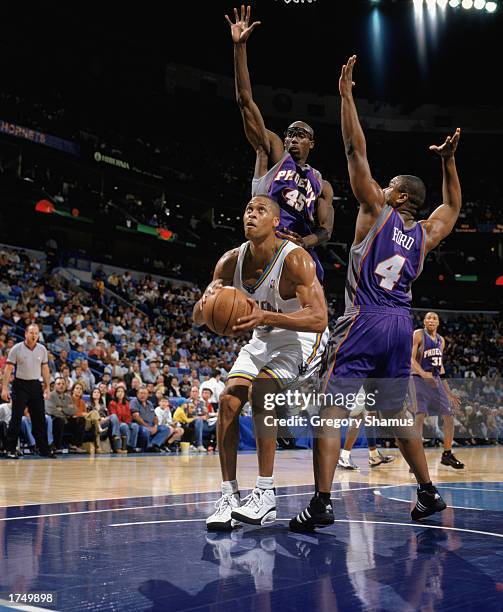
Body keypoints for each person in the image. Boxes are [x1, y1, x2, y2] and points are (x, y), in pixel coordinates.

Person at [289, 55, 462, 531]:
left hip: (363, 318)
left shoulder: (375, 212)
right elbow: (452, 206)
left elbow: (353, 151)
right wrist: (448, 161)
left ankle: (320, 503)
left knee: (330, 408)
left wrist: (346, 97)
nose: (381, 187)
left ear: (399, 197)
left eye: (390, 187)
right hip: (398, 323)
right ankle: (427, 493)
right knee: (395, 412)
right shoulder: (424, 235)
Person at [193, 194, 328, 531]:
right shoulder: (229, 262)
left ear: (276, 222)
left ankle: (265, 494)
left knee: (263, 390)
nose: (251, 214)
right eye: (248, 208)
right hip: (263, 337)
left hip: (301, 339)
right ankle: (228, 496)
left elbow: (319, 318)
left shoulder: (295, 259)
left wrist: (264, 315)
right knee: (227, 402)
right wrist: (206, 307)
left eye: (260, 210)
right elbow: (198, 316)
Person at [226, 5, 334, 282]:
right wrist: (240, 48)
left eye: (300, 135)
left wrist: (306, 242)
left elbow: (325, 229)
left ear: (312, 144)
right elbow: (245, 102)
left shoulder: (321, 184)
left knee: (312, 320)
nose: (292, 138)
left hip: (299, 253)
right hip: (266, 247)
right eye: (289, 133)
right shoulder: (273, 151)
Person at [411, 312, 464, 469]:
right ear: (424, 321)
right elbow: (411, 359)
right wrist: (422, 373)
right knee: (420, 416)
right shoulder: (418, 335)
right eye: (428, 318)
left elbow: (440, 368)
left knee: (449, 416)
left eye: (434, 318)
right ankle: (414, 457)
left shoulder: (441, 341)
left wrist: (448, 392)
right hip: (418, 379)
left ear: (439, 323)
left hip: (435, 379)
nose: (431, 320)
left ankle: (447, 454)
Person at [1, 324, 56, 458]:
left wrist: (47, 387)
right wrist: (4, 388)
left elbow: (45, 369)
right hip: (20, 386)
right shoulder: (16, 349)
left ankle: (44, 449)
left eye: (36, 333)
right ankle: (10, 449)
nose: (34, 335)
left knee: (40, 419)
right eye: (31, 333)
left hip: (36, 385)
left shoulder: (42, 349)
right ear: (25, 334)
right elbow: (8, 370)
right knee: (16, 418)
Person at [108, 386, 139, 453]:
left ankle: (132, 446)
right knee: (124, 426)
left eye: (122, 391)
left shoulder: (127, 403)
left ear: (124, 393)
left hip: (126, 422)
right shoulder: (112, 403)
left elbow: (129, 416)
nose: (120, 393)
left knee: (135, 426)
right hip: (117, 423)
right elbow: (115, 416)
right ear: (115, 393)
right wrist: (124, 421)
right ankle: (126, 445)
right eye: (118, 391)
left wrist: (127, 421)